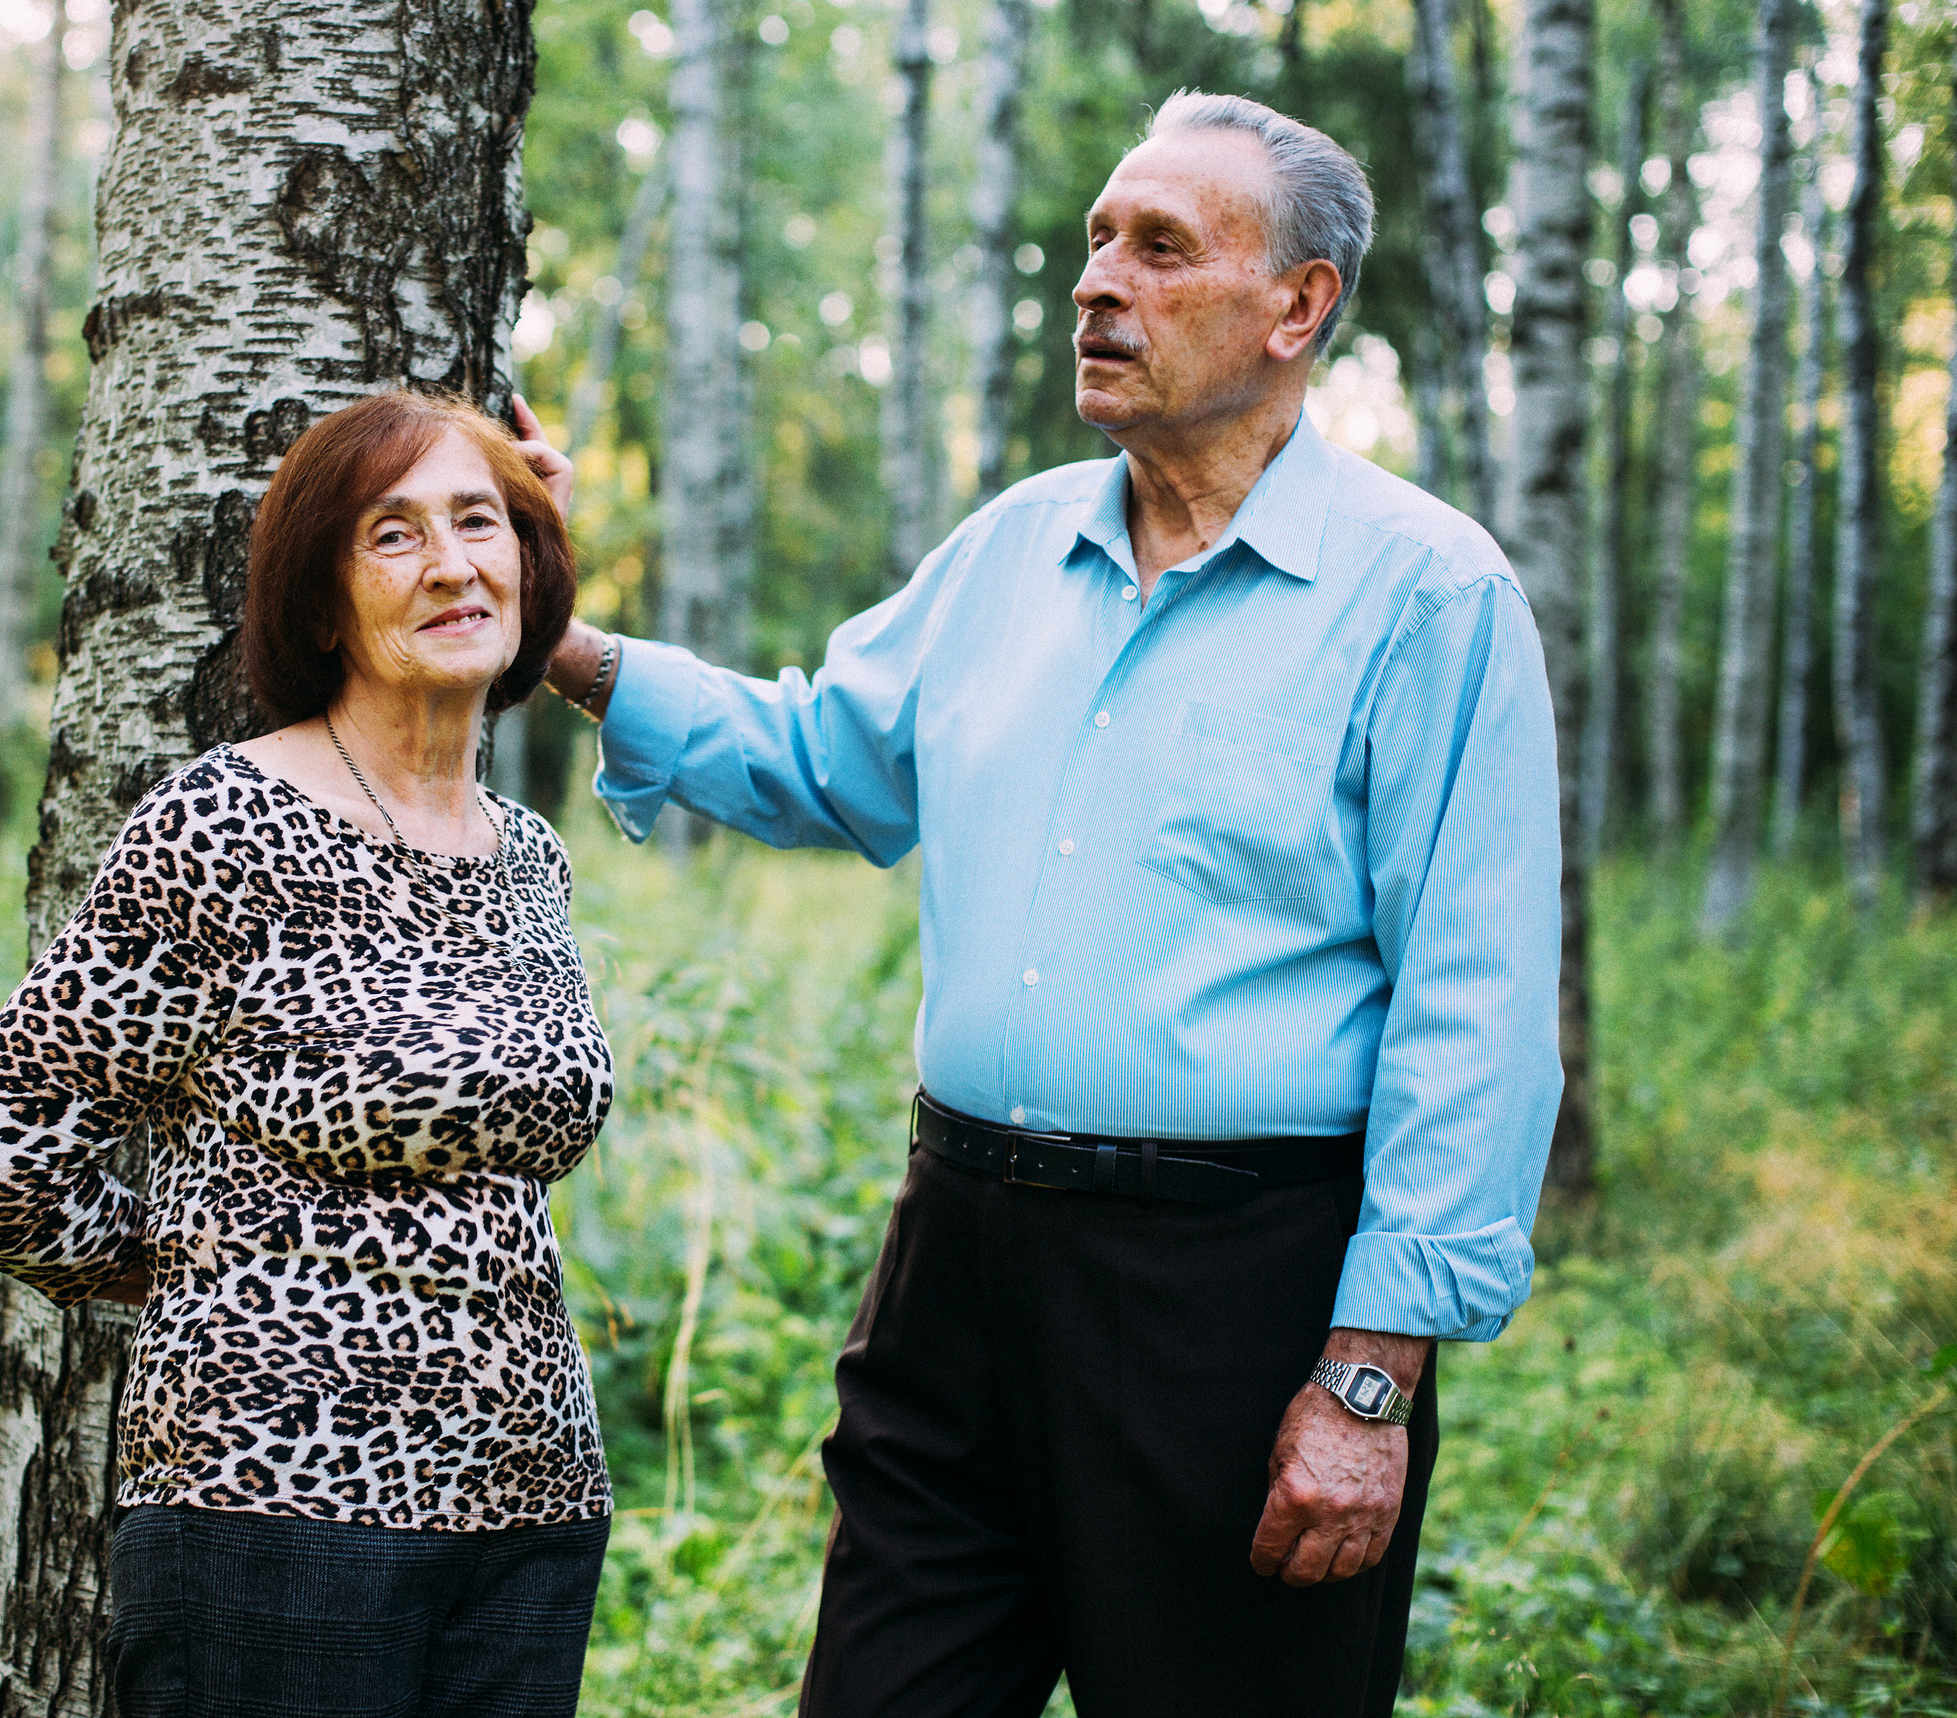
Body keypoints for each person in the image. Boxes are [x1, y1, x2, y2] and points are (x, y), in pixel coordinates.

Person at [537, 91, 1563, 1717]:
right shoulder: (1013, 549)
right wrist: (559, 638)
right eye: (1098, 239)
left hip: (1235, 1296)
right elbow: (824, 758)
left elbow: (1476, 1007)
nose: (1098, 282)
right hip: (959, 1264)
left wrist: (1367, 1380)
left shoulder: (1429, 593)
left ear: (1300, 308)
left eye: (1162, 247)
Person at [0, 389, 612, 1718]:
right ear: (320, 599)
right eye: (393, 536)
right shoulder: (226, 825)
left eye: (483, 522)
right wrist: (208, 1269)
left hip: (531, 1506)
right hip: (277, 1508)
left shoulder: (529, 856)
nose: (454, 562)